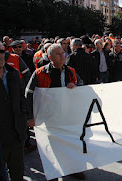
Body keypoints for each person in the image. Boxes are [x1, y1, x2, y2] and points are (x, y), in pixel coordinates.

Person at [25, 44, 85, 180]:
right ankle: (54, 173)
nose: (62, 56)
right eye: (58, 54)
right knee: (52, 147)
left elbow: (83, 86)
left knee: (71, 144)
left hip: (69, 116)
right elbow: (28, 94)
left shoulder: (71, 71)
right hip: (49, 117)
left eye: (63, 53)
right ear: (50, 57)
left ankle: (73, 169)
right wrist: (30, 117)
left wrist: (76, 86)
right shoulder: (40, 73)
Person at [0, 40, 27, 181]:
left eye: (2, 51)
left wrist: (25, 118)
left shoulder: (13, 73)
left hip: (16, 136)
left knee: (17, 175)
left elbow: (22, 98)